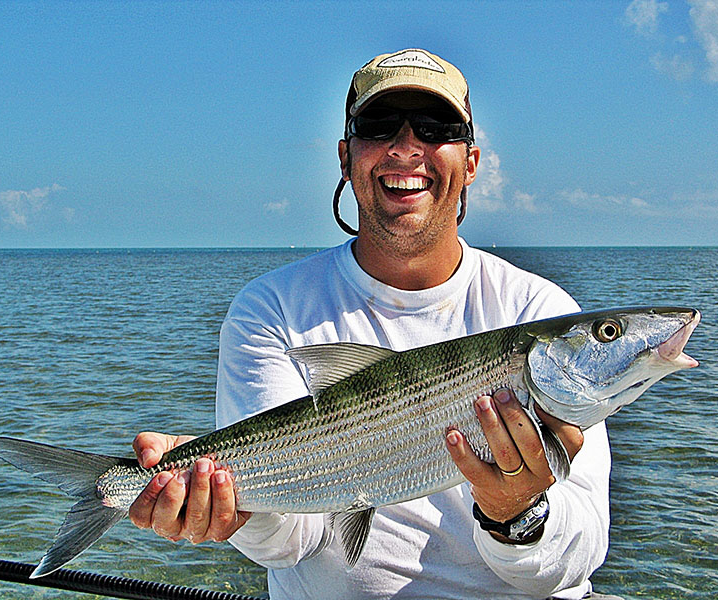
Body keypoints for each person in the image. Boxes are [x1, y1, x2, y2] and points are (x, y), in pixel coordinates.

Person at [129, 49, 613, 600]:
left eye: (436, 127)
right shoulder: (271, 308)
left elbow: (574, 556)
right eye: (379, 125)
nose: (407, 147)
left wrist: (517, 515)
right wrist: (234, 505)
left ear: (472, 161)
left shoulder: (542, 311)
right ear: (345, 156)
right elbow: (296, 539)